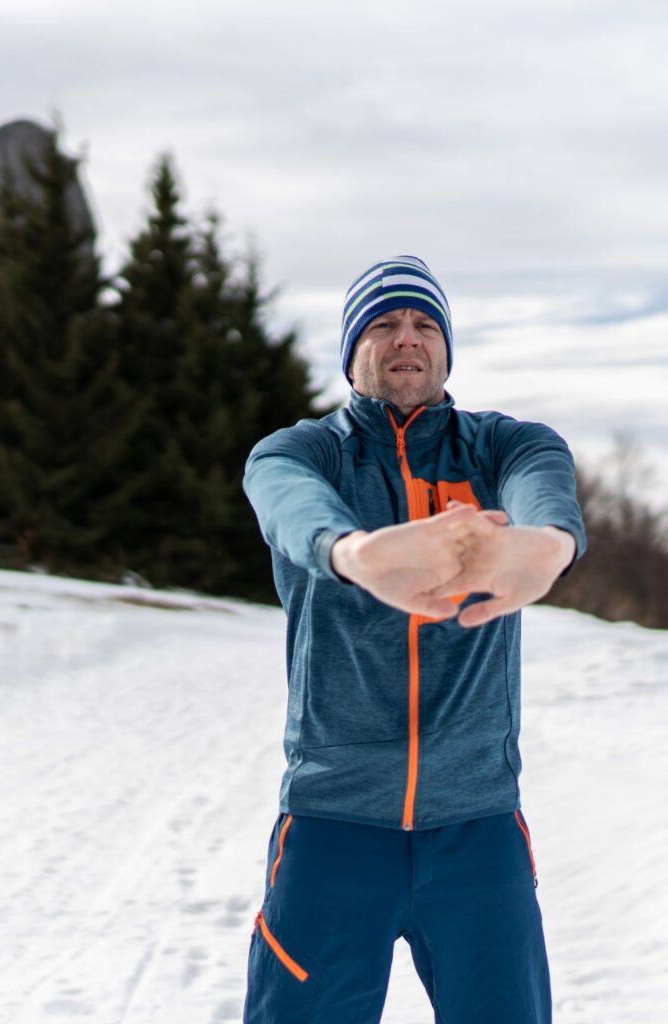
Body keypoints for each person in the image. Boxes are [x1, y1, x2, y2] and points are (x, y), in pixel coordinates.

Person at [239, 255, 587, 1023]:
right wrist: (356, 555)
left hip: (479, 830)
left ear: (446, 347)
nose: (407, 338)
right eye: (384, 323)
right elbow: (289, 506)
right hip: (332, 829)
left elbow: (546, 490)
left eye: (424, 323)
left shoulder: (503, 448)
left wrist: (547, 545)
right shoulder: (303, 452)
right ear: (352, 349)